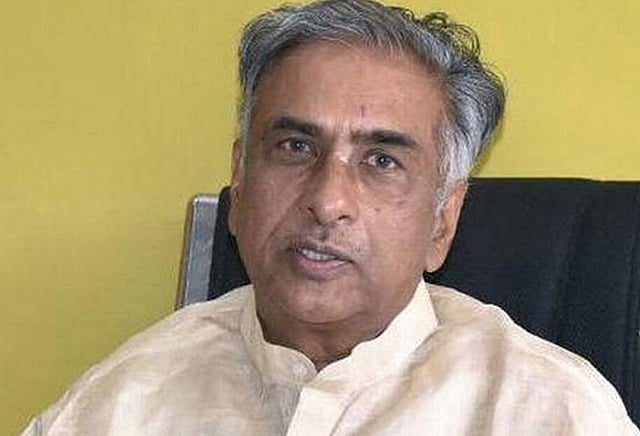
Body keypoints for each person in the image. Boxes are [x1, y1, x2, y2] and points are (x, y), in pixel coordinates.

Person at [21, 0, 639, 434]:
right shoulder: (118, 405)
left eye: (381, 160)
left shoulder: (548, 411)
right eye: (295, 147)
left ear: (442, 222)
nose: (327, 200)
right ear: (241, 181)